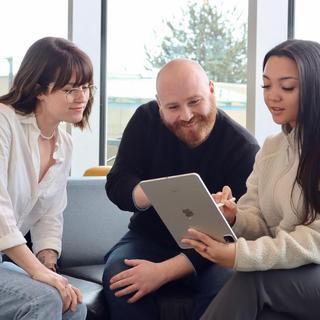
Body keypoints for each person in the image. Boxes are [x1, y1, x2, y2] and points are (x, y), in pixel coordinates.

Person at [103, 58, 260, 319]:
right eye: (173, 107)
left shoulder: (243, 149)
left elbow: (233, 236)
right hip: (148, 239)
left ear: (211, 90)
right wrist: (155, 192)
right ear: (159, 103)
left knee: (230, 285)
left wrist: (161, 272)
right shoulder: (145, 120)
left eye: (194, 101)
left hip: (212, 251)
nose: (186, 115)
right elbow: (117, 182)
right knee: (120, 280)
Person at [182, 39, 320, 320]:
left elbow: (315, 239)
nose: (273, 96)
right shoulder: (271, 148)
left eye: (287, 87)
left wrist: (239, 255)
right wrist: (235, 218)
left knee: (251, 280)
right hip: (298, 271)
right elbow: (260, 220)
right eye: (267, 85)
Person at [0, 37, 96, 320]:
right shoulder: (4, 122)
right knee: (43, 300)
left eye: (86, 87)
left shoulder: (63, 143)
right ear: (39, 90)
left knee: (74, 306)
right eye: (70, 89)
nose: (82, 97)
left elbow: (50, 214)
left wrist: (49, 267)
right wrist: (38, 273)